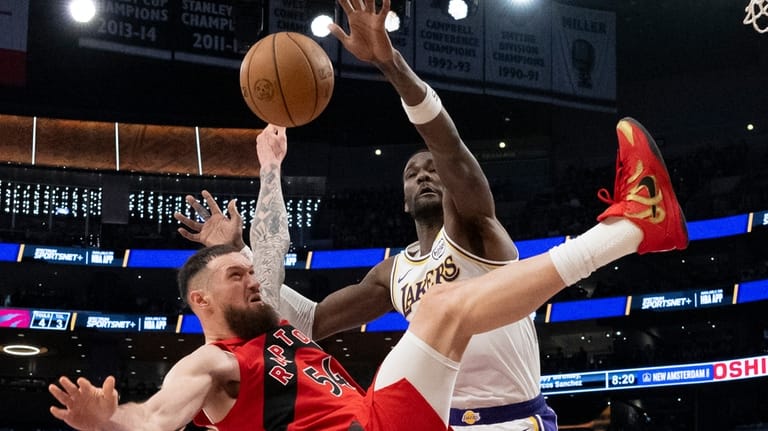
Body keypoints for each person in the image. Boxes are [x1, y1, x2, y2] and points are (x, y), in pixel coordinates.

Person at [172, 2, 682, 430]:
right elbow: (307, 322)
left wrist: (391, 64)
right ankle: (631, 227)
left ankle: (632, 226)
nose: (425, 175)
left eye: (431, 169)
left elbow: (450, 148)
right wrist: (233, 254)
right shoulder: (392, 274)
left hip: (512, 418)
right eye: (412, 172)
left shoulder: (474, 229)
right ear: (401, 199)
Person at [48, 111, 688, 430]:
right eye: (235, 276)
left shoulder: (275, 328)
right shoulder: (214, 362)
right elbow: (158, 416)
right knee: (444, 311)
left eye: (249, 269)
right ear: (200, 302)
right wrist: (110, 421)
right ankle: (632, 226)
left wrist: (269, 177)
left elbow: (271, 263)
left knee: (442, 310)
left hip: (387, 420)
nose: (253, 277)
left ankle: (638, 225)